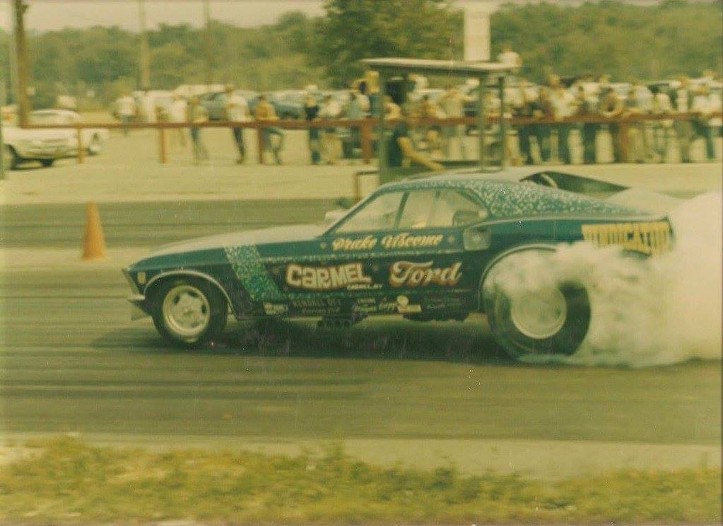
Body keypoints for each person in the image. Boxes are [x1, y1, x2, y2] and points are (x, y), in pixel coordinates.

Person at [387, 104, 444, 171]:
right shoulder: (400, 129)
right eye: (413, 118)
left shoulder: (410, 129)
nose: (416, 120)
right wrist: (431, 164)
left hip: (405, 166)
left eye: (417, 118)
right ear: (405, 117)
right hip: (396, 169)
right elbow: (409, 153)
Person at [547, 74, 577, 164]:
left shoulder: (569, 96)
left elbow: (574, 107)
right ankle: (560, 158)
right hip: (556, 120)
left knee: (565, 139)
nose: (560, 90)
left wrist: (569, 115)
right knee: (558, 140)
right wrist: (555, 114)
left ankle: (567, 158)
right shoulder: (553, 97)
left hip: (567, 120)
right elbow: (552, 108)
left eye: (562, 88)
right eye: (558, 88)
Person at [690, 83, 719, 161]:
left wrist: (709, 112)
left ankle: (711, 156)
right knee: (706, 138)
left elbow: (717, 106)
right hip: (701, 120)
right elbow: (695, 107)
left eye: (705, 88)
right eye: (702, 88)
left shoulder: (714, 97)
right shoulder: (697, 98)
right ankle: (709, 155)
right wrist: (704, 112)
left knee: (710, 138)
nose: (704, 90)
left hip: (712, 120)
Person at [438, 85, 467, 160]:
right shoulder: (444, 99)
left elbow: (468, 99)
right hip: (448, 120)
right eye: (449, 90)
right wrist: (446, 95)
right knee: (446, 141)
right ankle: (445, 158)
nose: (451, 92)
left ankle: (465, 158)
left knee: (462, 141)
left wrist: (458, 94)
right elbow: (437, 101)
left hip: (459, 120)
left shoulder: (459, 97)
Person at [254, 94, 284, 165]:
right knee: (269, 144)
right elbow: (257, 118)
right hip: (263, 128)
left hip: (271, 126)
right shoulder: (257, 108)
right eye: (261, 101)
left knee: (282, 134)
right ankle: (277, 159)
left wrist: (266, 118)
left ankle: (278, 149)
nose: (262, 102)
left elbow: (274, 117)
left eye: (263, 100)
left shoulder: (270, 107)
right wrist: (266, 119)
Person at [670, 76, 694, 163]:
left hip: (687, 117)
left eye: (686, 82)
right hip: (677, 117)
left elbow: (692, 104)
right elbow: (671, 103)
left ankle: (687, 156)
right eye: (682, 82)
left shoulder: (690, 92)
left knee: (687, 137)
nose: (684, 84)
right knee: (680, 137)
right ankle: (682, 157)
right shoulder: (673, 92)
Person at [224, 85, 250, 164]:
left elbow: (245, 109)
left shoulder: (237, 98)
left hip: (239, 120)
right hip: (232, 120)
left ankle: (243, 155)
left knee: (239, 138)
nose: (227, 92)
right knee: (237, 139)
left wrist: (246, 117)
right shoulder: (227, 99)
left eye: (228, 90)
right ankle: (242, 155)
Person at [599, 86, 625, 163]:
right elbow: (602, 108)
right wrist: (605, 113)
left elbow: (619, 109)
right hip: (612, 124)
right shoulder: (606, 100)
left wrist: (610, 114)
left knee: (618, 141)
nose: (611, 95)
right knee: (613, 141)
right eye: (609, 93)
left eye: (612, 93)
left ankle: (620, 158)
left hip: (620, 124)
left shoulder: (618, 100)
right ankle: (615, 157)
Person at [649, 85, 673, 163]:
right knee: (658, 139)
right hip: (657, 121)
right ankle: (661, 156)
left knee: (662, 139)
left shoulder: (662, 97)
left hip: (663, 120)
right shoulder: (653, 98)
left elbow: (666, 109)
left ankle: (663, 156)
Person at [318, 94, 343, 165]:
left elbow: (334, 113)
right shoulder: (325, 105)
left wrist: (326, 111)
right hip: (327, 126)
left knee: (333, 143)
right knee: (326, 143)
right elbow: (321, 113)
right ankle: (329, 159)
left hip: (332, 125)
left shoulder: (333, 105)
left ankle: (333, 159)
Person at [188, 95, 209, 163]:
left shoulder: (201, 108)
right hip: (192, 127)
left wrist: (199, 121)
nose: (193, 101)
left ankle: (202, 155)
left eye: (195, 100)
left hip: (198, 127)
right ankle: (198, 156)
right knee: (194, 142)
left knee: (198, 141)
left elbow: (206, 118)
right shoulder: (189, 108)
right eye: (192, 100)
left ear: (198, 101)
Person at [304, 92, 321, 165]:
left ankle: (315, 159)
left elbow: (309, 116)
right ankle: (315, 159)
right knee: (313, 143)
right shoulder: (312, 106)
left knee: (314, 143)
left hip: (313, 126)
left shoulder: (309, 107)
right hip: (313, 126)